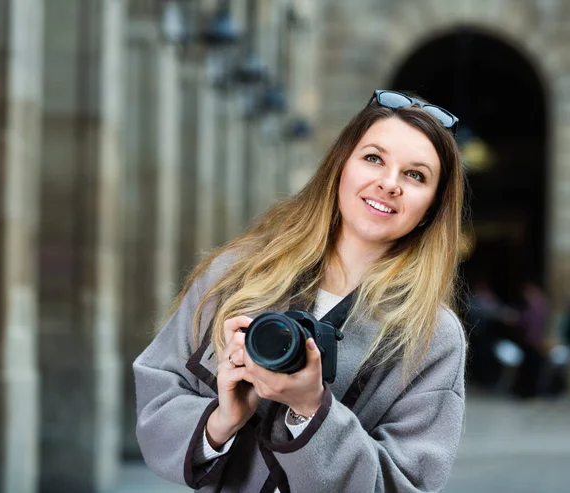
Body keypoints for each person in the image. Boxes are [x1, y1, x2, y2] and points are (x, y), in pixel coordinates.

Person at [134, 90, 468, 492]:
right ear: (341, 167)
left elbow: (406, 483)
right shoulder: (238, 275)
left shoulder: (433, 336)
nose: (388, 183)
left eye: (415, 175)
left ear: (431, 207)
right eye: (374, 158)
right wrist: (222, 419)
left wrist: (311, 408)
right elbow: (158, 399)